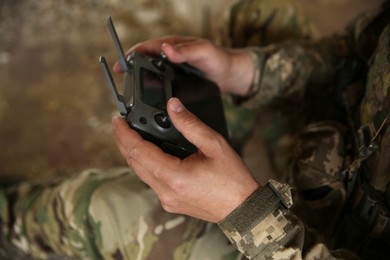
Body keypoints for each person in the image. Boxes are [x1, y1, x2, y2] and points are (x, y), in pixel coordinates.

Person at [0, 0, 389, 259]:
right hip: (331, 149)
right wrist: (248, 72)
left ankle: (10, 219)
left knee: (103, 205)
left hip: (313, 246)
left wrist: (245, 213)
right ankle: (226, 144)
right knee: (260, 15)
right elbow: (356, 50)